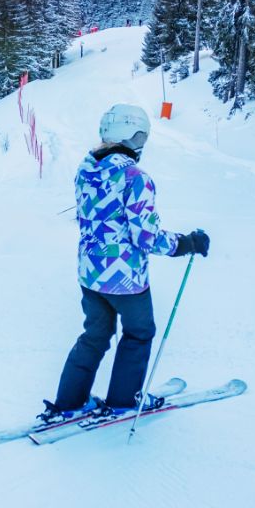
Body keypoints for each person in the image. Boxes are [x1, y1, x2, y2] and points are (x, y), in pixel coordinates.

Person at [46, 104, 209, 421]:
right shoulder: (135, 177)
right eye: (141, 137)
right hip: (124, 279)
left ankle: (69, 402)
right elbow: (146, 236)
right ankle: (123, 400)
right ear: (133, 136)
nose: (142, 144)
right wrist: (187, 243)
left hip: (90, 273)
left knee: (95, 335)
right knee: (138, 332)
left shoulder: (87, 168)